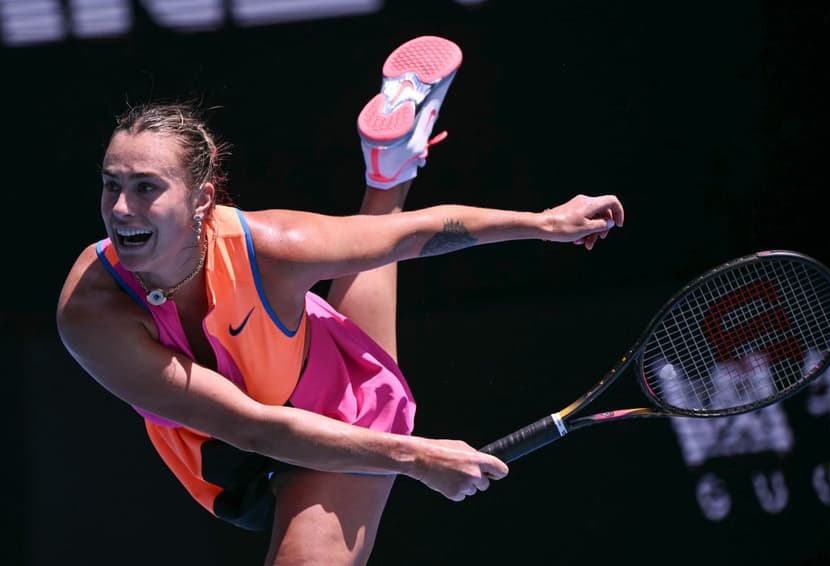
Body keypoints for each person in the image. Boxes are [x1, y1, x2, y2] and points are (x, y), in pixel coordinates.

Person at [56, 35, 625, 565]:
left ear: (202, 199)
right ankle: (390, 170)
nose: (122, 209)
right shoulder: (93, 309)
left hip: (336, 411)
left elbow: (414, 237)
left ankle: (388, 178)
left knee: (370, 280)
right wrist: (421, 458)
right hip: (231, 451)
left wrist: (545, 222)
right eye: (112, 184)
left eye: (146, 187)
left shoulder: (273, 248)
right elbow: (253, 428)